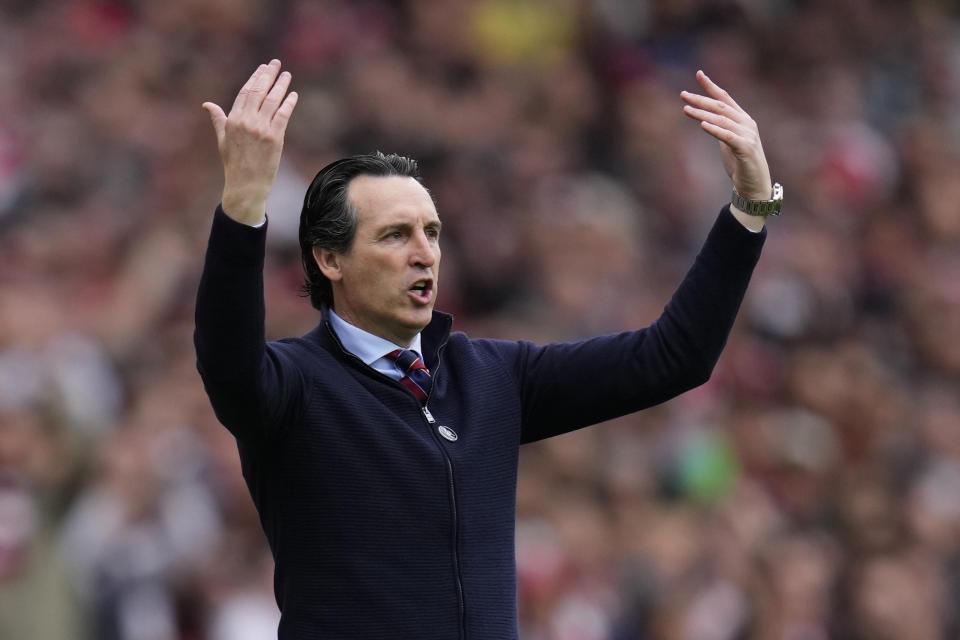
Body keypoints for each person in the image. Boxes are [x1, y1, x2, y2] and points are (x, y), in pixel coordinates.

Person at [194, 59, 777, 639]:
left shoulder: (491, 375)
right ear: (330, 259)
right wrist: (244, 204)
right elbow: (228, 363)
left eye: (432, 232)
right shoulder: (291, 384)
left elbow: (674, 357)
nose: (424, 253)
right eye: (395, 235)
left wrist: (753, 206)